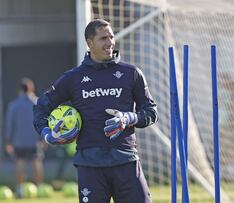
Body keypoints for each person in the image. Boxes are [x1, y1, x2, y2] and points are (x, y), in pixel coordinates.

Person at [33, 19, 158, 203]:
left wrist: (129, 118)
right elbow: (41, 107)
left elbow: (151, 112)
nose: (110, 43)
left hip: (126, 161)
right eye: (103, 38)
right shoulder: (73, 78)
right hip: (90, 166)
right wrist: (46, 134)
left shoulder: (131, 73)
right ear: (90, 43)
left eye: (111, 37)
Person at [4, 77, 44, 197]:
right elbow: (43, 121)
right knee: (37, 162)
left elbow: (9, 124)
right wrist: (44, 139)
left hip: (18, 141)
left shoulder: (13, 105)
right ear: (31, 89)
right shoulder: (37, 103)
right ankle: (39, 189)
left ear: (19, 90)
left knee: (19, 163)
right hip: (35, 141)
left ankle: (20, 190)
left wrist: (8, 141)